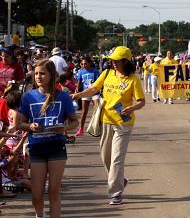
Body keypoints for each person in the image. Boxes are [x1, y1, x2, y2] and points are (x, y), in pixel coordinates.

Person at [71, 46, 145, 205]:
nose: (113, 63)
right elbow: (93, 89)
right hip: (106, 120)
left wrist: (132, 108)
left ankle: (116, 193)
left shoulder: (133, 79)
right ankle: (120, 180)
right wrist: (77, 95)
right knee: (105, 156)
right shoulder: (107, 73)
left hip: (123, 124)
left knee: (117, 158)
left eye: (117, 60)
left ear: (125, 61)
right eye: (112, 60)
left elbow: (141, 101)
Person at [18, 60, 79, 218]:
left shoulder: (63, 96)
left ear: (52, 76)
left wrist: (64, 128)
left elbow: (75, 121)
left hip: (56, 147)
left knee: (53, 191)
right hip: (37, 148)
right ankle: (40, 215)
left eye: (43, 73)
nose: (38, 76)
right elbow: (19, 123)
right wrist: (30, 126)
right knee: (37, 194)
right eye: (36, 73)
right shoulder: (28, 97)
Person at [75, 57, 101, 136]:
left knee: (97, 110)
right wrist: (77, 89)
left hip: (95, 92)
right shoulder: (81, 72)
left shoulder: (95, 71)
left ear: (89, 63)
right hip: (85, 92)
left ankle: (97, 128)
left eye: (85, 63)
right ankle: (81, 129)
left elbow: (98, 82)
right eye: (82, 64)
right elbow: (79, 82)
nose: (84, 65)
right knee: (84, 112)